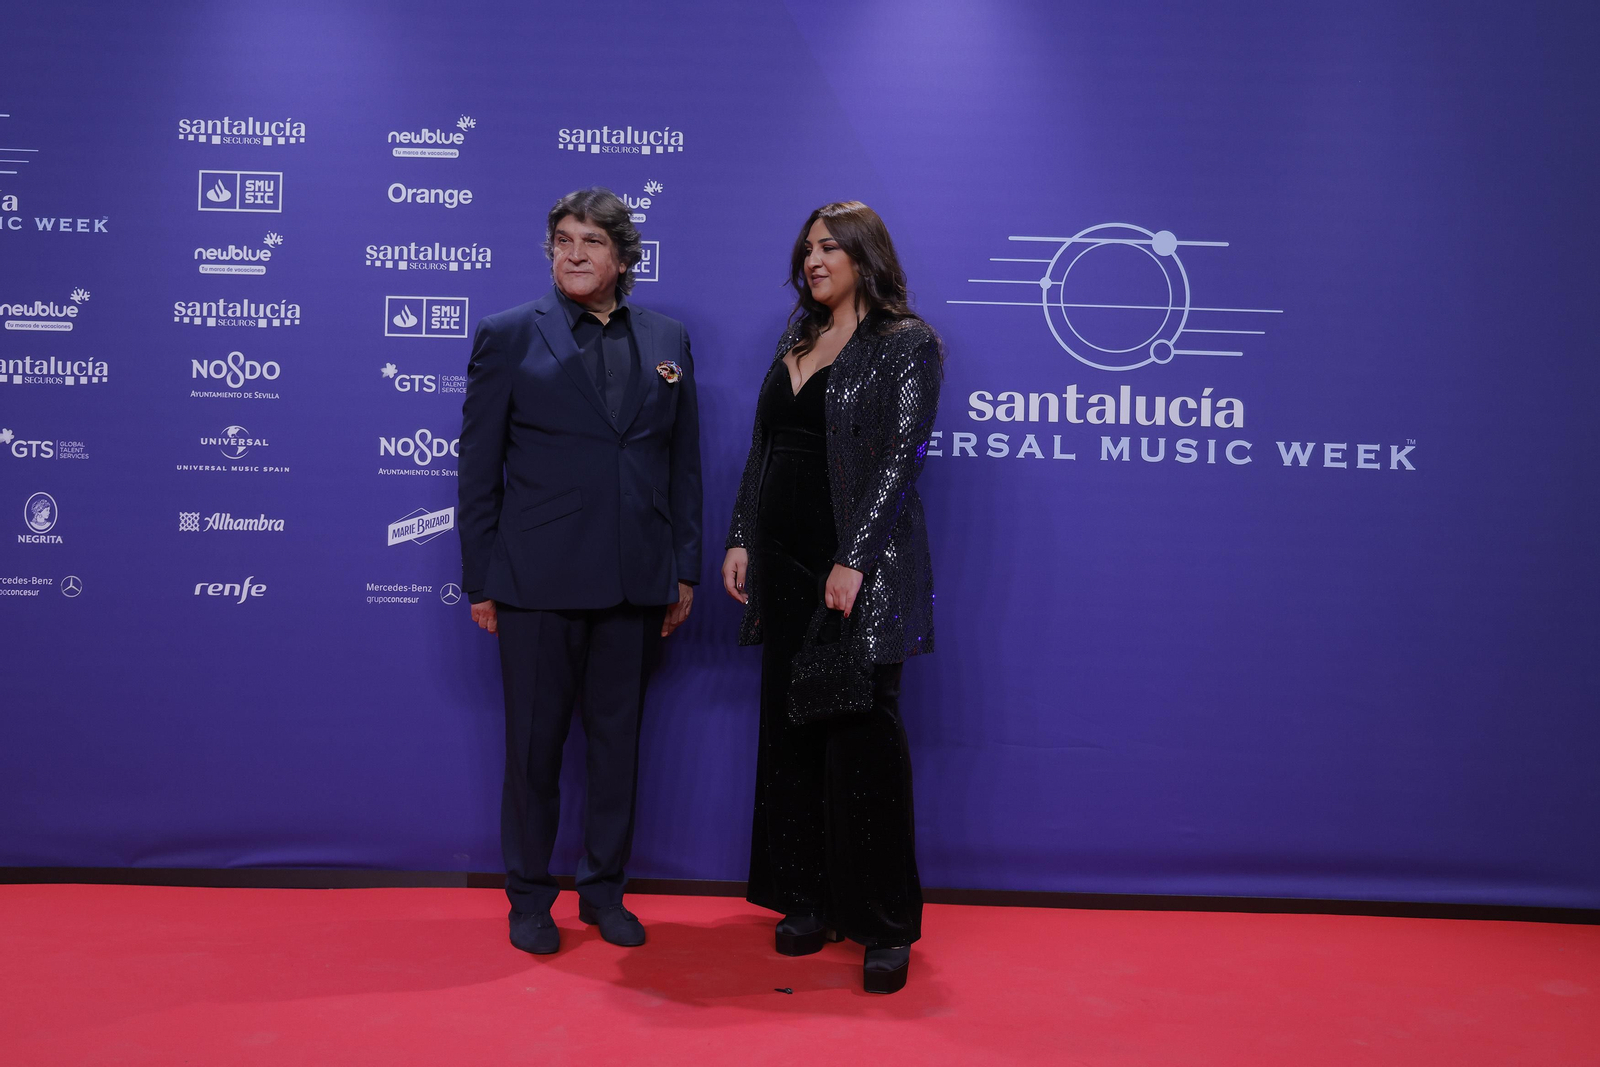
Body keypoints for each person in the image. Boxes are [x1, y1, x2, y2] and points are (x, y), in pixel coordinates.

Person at [458, 187, 701, 955]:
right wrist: (481, 579)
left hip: (635, 581)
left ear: (623, 258)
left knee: (616, 751)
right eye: (562, 239)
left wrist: (684, 568)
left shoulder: (667, 337)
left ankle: (603, 892)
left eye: (591, 241)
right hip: (535, 582)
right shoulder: (507, 335)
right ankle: (530, 898)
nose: (573, 252)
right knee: (532, 752)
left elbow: (682, 463)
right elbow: (477, 470)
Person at [721, 201, 941, 994]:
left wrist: (854, 558)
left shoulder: (905, 342)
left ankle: (885, 923)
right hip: (782, 568)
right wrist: (741, 534)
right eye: (807, 248)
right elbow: (764, 446)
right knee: (793, 734)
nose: (813, 259)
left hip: (858, 573)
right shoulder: (797, 340)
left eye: (829, 247)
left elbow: (900, 459)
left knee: (862, 740)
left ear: (864, 255)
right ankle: (807, 899)